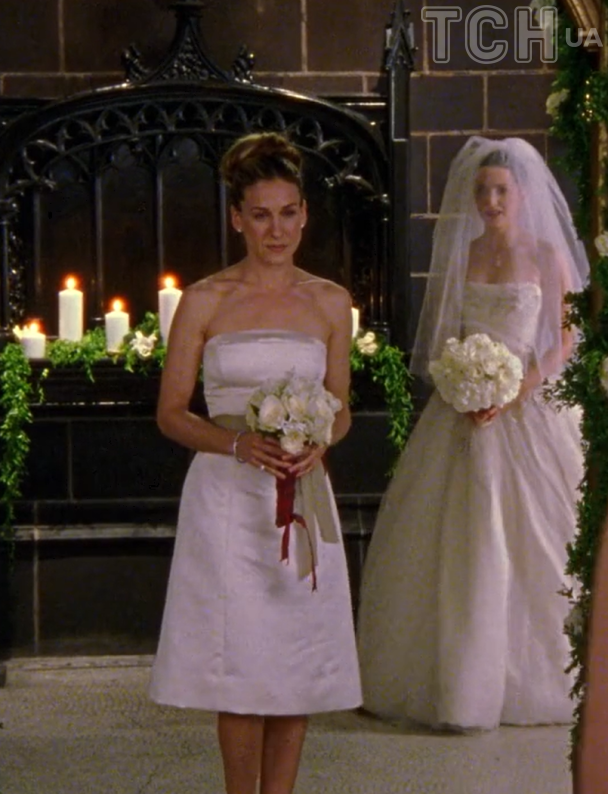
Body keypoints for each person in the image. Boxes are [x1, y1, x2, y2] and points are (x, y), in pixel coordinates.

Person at [149, 131, 362, 794]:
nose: (277, 230)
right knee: (239, 668)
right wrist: (237, 444)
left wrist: (322, 441)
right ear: (237, 219)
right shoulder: (205, 299)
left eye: (289, 213)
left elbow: (341, 408)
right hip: (227, 499)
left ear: (305, 214)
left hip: (301, 492)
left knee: (294, 664)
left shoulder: (330, 301)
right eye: (262, 215)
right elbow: (171, 413)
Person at [357, 136, 588, 732]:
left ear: (522, 194)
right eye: (482, 190)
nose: (490, 201)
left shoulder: (547, 256)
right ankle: (456, 676)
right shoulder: (464, 255)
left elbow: (564, 342)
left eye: (500, 190)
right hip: (465, 408)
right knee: (457, 534)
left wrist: (514, 389)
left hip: (528, 403)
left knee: (542, 534)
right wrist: (463, 385)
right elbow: (447, 337)